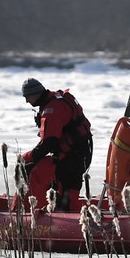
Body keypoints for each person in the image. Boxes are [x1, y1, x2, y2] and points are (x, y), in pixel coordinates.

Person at [18, 78, 93, 211]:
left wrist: (26, 157)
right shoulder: (56, 99)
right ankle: (60, 210)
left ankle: (36, 211)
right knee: (68, 190)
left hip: (71, 157)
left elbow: (49, 143)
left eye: (27, 97)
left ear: (35, 94)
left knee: (33, 171)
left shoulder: (52, 109)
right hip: (79, 153)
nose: (26, 101)